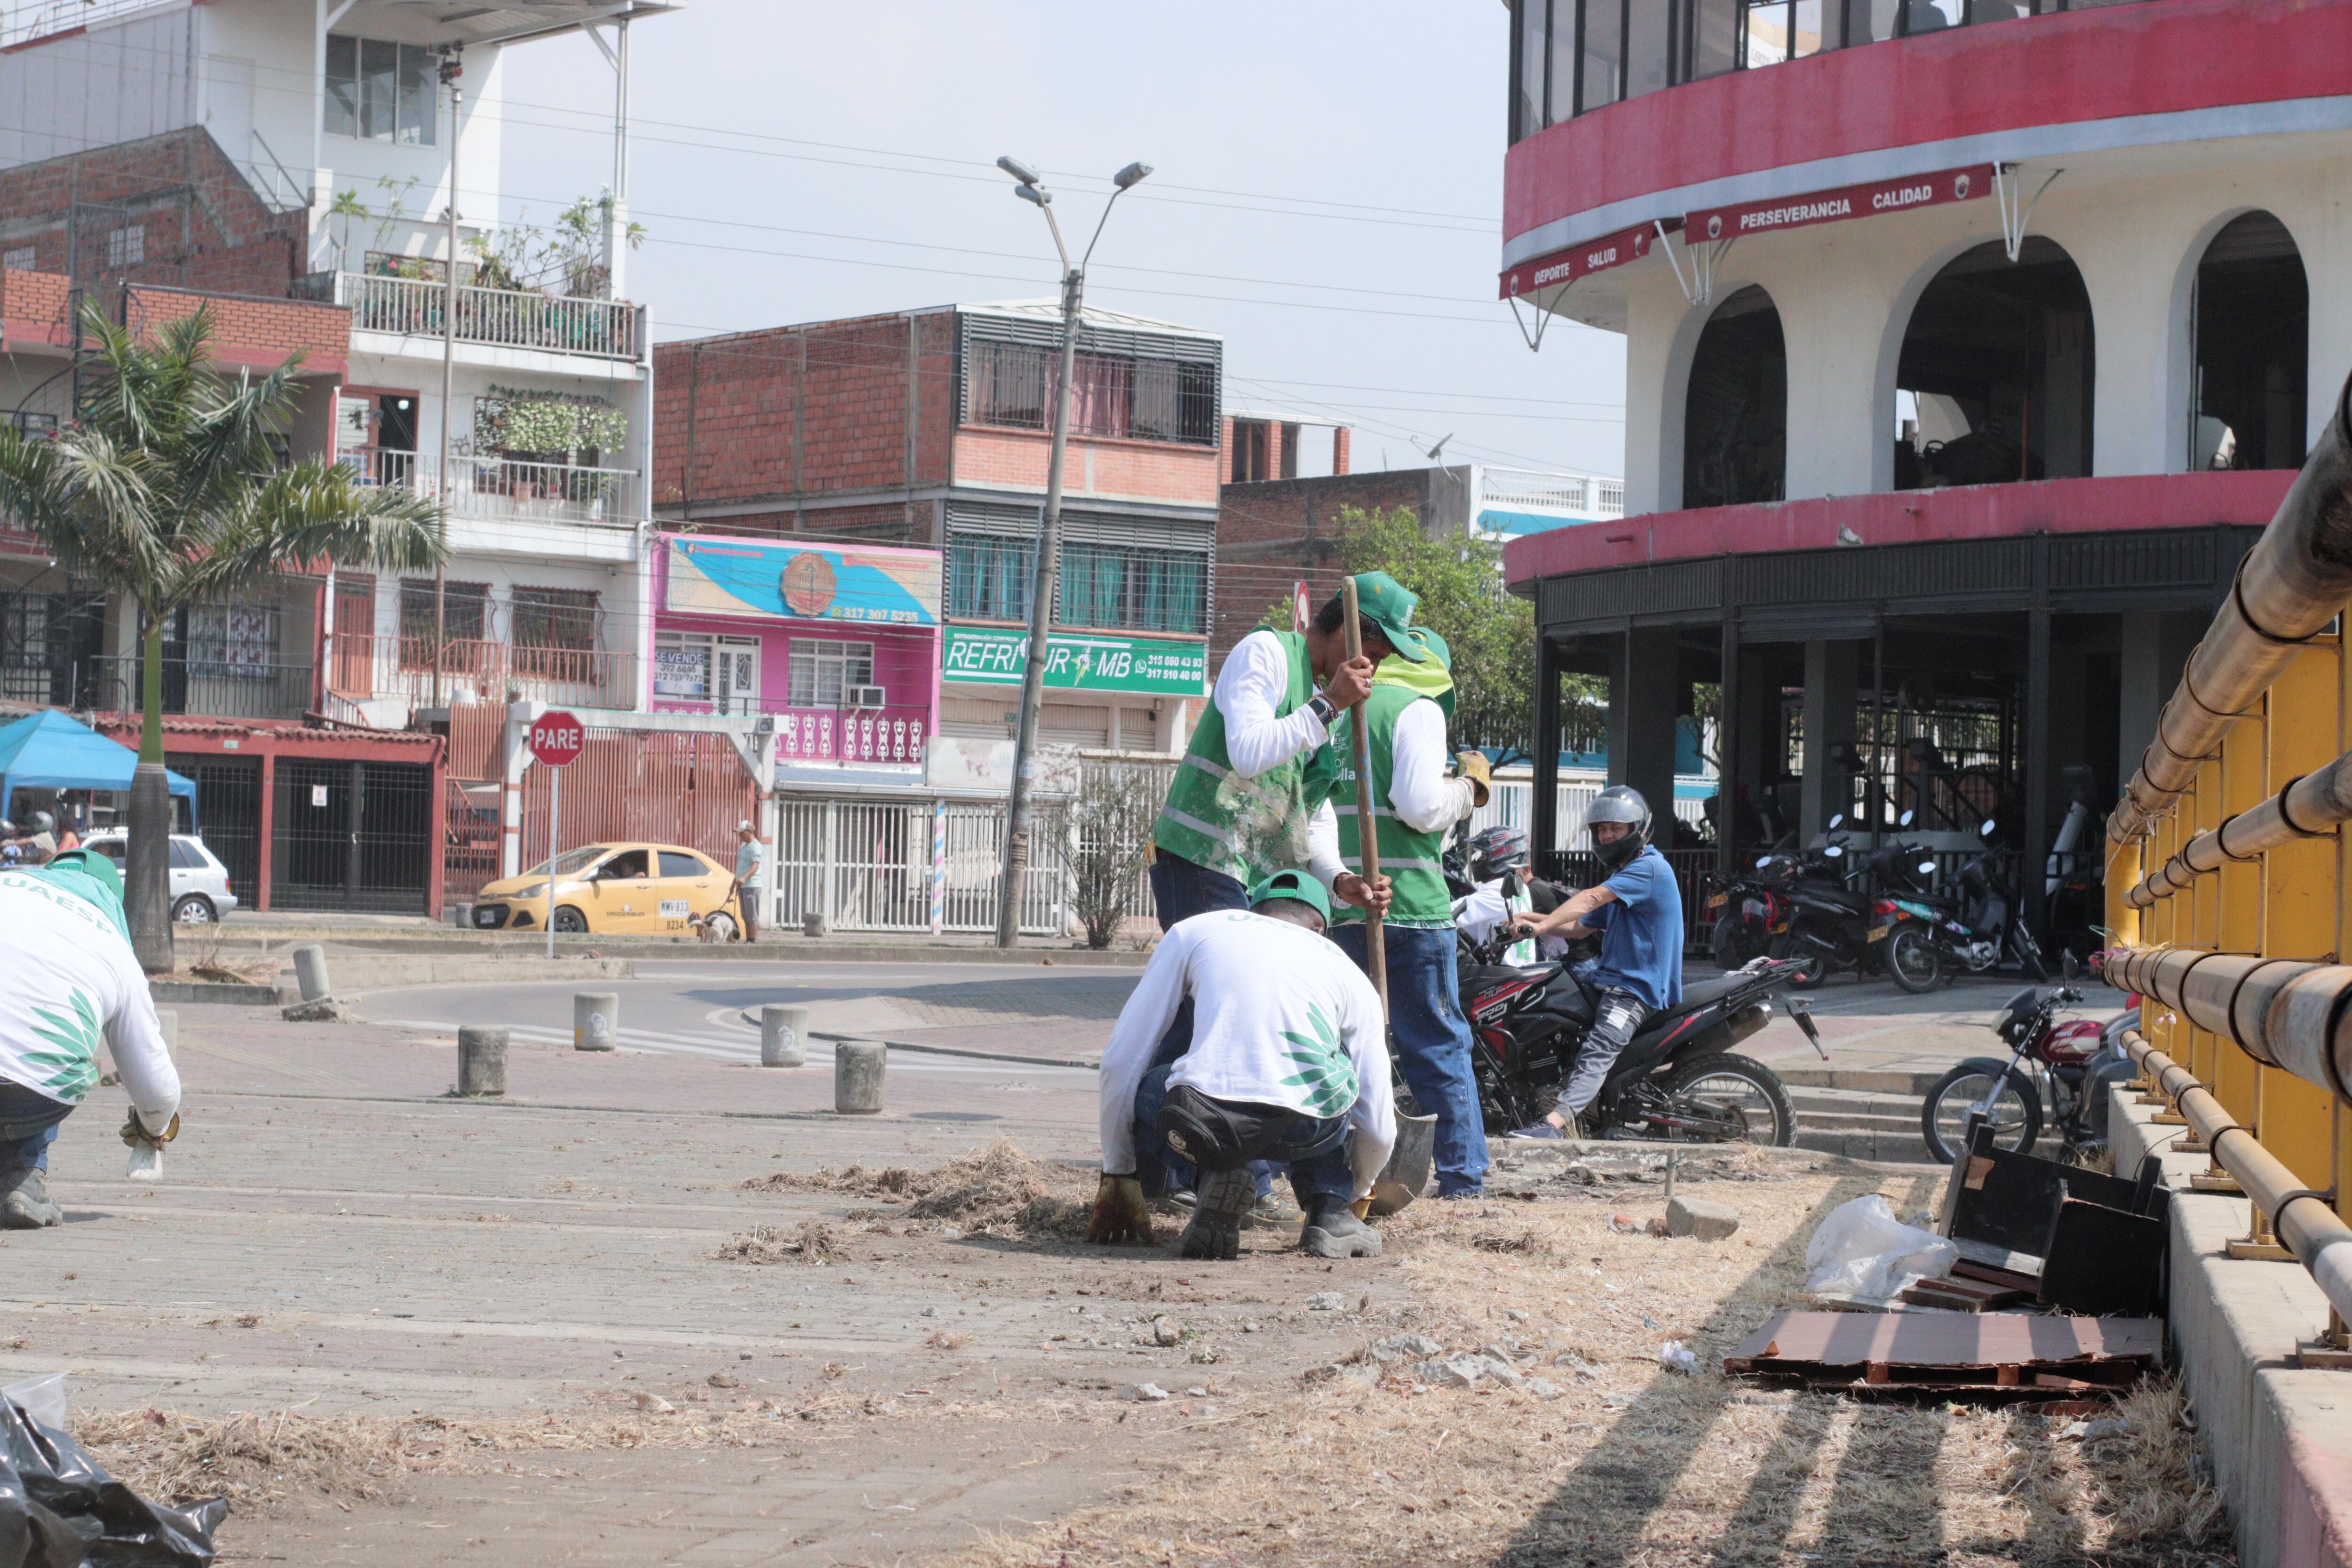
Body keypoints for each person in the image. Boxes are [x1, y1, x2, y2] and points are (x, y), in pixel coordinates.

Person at [1135, 573, 1396, 1214]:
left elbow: (1314, 811)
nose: (1373, 670)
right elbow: (1250, 751)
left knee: (1241, 1019)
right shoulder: (1267, 655)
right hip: (1202, 858)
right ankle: (1156, 1170)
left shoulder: (1326, 705)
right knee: (1203, 1022)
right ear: (1341, 633)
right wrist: (1327, 706)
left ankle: (1230, 1174)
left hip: (1253, 876)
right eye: (1373, 654)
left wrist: (1339, 879)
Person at [1089, 869, 1394, 1261]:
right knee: (1334, 1079)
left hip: (1210, 1122)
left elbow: (1119, 1061)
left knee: (1153, 1085)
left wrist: (1119, 1171)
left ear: (1255, 911)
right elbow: (1379, 1122)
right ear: (1319, 928)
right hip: (1311, 1126)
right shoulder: (1347, 971)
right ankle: (1328, 1211)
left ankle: (1215, 1176)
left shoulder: (1197, 930)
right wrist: (1356, 1192)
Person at [1307, 591, 1493, 1199]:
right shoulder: (1417, 710)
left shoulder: (1339, 710)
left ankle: (1344, 1179)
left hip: (1344, 906)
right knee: (1438, 1046)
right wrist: (1465, 792)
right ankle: (1464, 1183)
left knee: (1348, 1053)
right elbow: (1418, 804)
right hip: (1410, 907)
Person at [0, 848, 182, 1229]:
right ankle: (23, 1178)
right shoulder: (112, 945)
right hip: (32, 1096)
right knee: (45, 1050)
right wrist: (152, 1129)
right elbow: (158, 1088)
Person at [1504, 786, 1684, 1138]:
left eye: (1614, 828)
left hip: (1636, 987)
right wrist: (1531, 920)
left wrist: (1542, 923)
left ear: (1638, 828)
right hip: (1610, 979)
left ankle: (1556, 1125)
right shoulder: (1627, 875)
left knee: (1599, 1048)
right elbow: (1580, 927)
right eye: (1601, 829)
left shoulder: (1648, 869)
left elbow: (1590, 898)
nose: (1606, 836)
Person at [730, 821, 767, 943]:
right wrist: (733, 884)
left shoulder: (755, 847)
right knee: (745, 915)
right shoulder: (743, 847)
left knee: (752, 916)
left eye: (742, 833)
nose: (739, 836)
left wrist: (745, 878)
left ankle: (752, 941)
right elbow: (740, 867)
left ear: (750, 832)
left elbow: (755, 866)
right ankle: (748, 940)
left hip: (752, 885)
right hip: (743, 886)